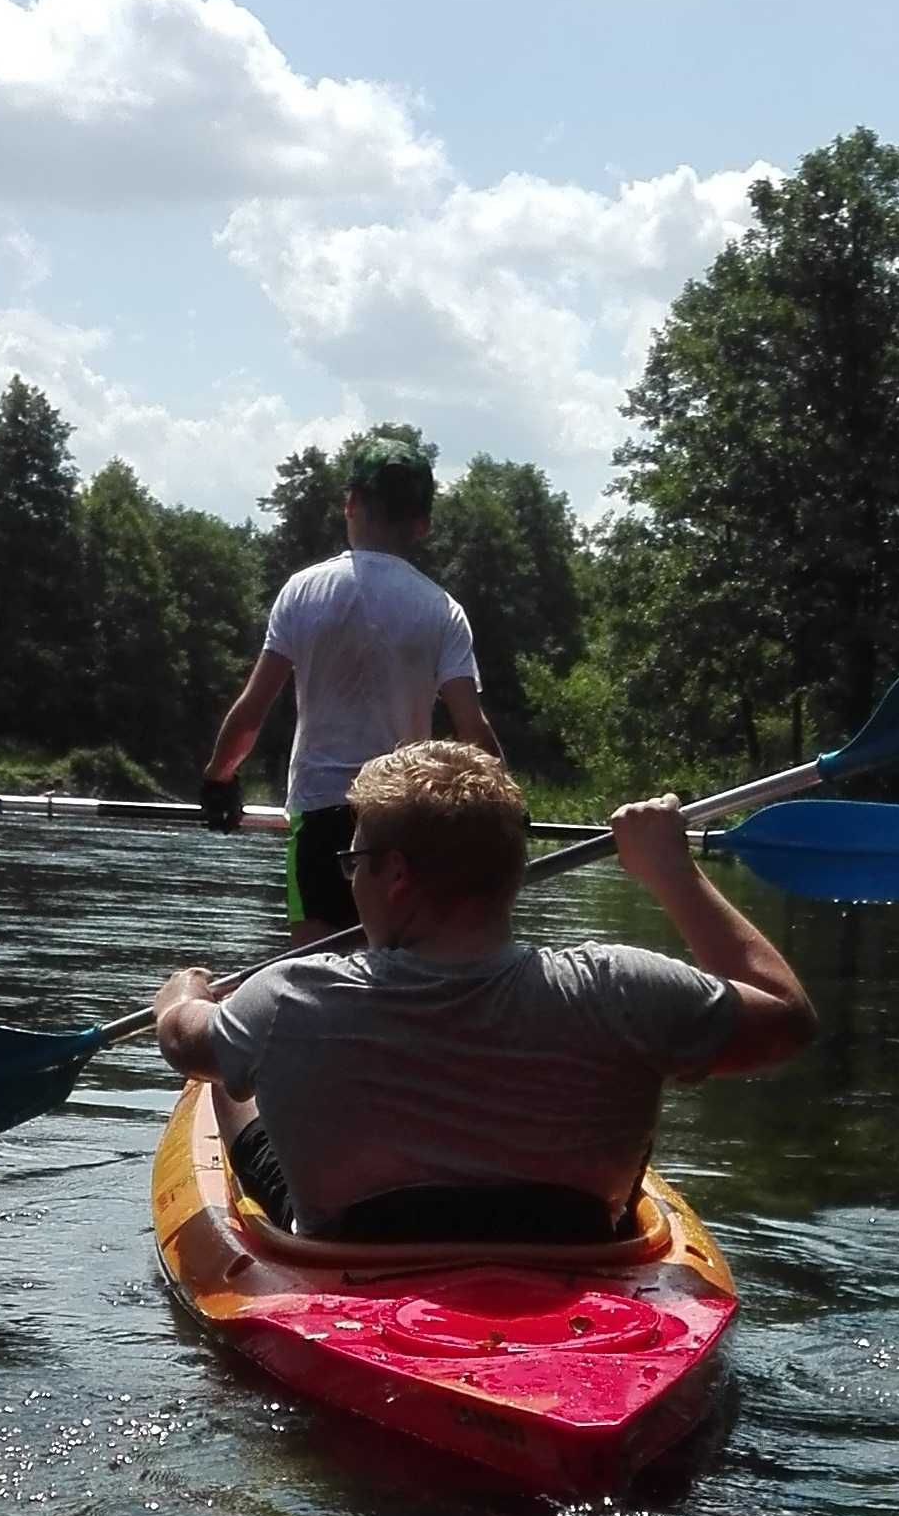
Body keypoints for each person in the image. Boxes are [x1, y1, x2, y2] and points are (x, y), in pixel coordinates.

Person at [151, 741, 817, 1242]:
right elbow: (786, 1019)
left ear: (397, 875)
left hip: (354, 1265)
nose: (352, 880)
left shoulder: (288, 997)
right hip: (573, 1253)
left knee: (221, 1079)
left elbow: (185, 1045)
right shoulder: (626, 989)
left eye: (356, 863)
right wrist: (673, 871)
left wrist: (186, 994)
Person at [200, 425, 500, 932]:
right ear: (422, 526)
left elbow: (254, 709)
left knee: (315, 974)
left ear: (351, 505)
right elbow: (474, 730)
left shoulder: (302, 592)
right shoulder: (442, 610)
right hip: (401, 821)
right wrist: (502, 810)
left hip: (319, 816)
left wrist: (219, 778)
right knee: (397, 972)